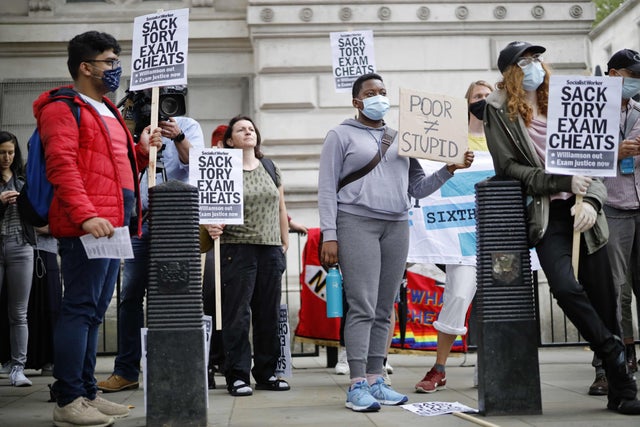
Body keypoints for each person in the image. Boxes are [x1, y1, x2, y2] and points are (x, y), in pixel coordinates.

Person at [484, 40, 640, 415]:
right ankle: (612, 352)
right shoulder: (497, 109)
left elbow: (596, 158)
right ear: (510, 71)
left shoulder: (567, 101)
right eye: (526, 60)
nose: (536, 65)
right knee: (566, 287)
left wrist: (593, 201)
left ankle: (623, 389)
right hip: (546, 213)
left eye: (538, 58)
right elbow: (509, 169)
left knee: (604, 296)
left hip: (585, 210)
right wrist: (560, 182)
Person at [318, 72, 473, 412]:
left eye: (383, 91)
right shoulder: (340, 135)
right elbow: (327, 188)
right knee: (363, 304)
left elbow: (417, 188)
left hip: (397, 225)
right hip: (355, 222)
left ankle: (376, 378)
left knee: (385, 306)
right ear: (357, 101)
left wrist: (449, 169)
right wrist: (330, 234)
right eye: (371, 93)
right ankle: (357, 384)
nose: (379, 97)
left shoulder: (402, 137)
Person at [33, 31, 162, 426]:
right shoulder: (62, 108)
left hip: (115, 221)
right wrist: (86, 214)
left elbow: (111, 170)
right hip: (90, 223)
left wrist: (141, 152)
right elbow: (63, 165)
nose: (116, 67)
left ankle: (87, 393)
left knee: (93, 311)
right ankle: (68, 399)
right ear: (85, 67)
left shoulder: (106, 108)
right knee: (81, 308)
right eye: (109, 61)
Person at [97, 90, 205, 393]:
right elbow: (122, 169)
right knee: (130, 295)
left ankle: (175, 368)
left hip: (176, 224)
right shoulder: (129, 128)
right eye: (144, 98)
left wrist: (179, 136)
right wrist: (139, 143)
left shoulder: (188, 124)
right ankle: (127, 370)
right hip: (138, 223)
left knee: (176, 294)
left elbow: (197, 165)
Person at [203, 115, 290, 397]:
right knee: (237, 315)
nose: (248, 131)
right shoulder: (221, 168)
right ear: (230, 140)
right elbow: (208, 207)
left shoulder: (270, 166)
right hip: (236, 248)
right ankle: (237, 375)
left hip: (269, 248)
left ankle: (266, 373)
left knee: (268, 314)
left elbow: (280, 206)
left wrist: (284, 241)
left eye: (251, 128)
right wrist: (209, 224)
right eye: (241, 129)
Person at [415, 80, 493, 393]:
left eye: (488, 96)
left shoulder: (509, 136)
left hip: (501, 232)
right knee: (458, 295)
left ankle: (491, 367)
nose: (484, 100)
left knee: (499, 304)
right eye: (477, 96)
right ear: (467, 103)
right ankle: (439, 367)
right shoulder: (451, 141)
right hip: (463, 237)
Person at [602, 48, 640, 373]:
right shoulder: (592, 113)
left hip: (639, 205)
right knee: (614, 289)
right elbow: (576, 161)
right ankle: (611, 362)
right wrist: (615, 153)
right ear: (614, 75)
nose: (637, 81)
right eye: (632, 75)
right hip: (611, 208)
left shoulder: (639, 111)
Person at [0, 131, 35, 387]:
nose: (7, 157)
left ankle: (18, 367)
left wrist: (25, 203)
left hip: (21, 246)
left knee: (19, 313)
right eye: (2, 152)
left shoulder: (23, 180)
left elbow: (38, 216)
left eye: (11, 152)